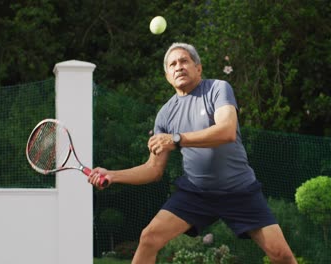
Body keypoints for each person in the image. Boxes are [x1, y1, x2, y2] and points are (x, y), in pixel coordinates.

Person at [88, 42, 298, 264]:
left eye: (184, 61)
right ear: (167, 75)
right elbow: (153, 170)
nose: (178, 67)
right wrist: (112, 174)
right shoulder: (165, 115)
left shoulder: (217, 89)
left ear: (198, 68)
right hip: (195, 193)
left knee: (281, 255)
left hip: (239, 190)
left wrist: (177, 139)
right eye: (172, 64)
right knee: (149, 238)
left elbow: (226, 131)